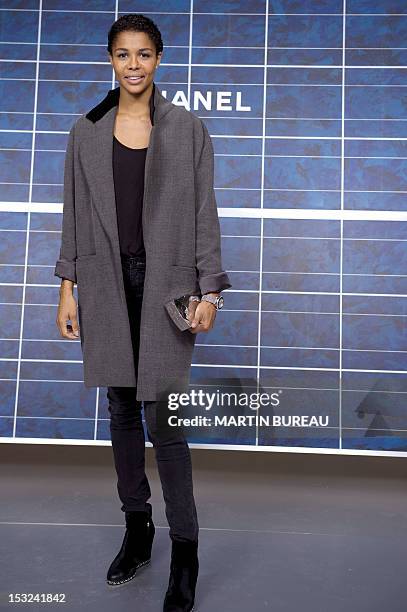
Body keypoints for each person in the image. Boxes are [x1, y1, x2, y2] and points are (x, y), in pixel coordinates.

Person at [55, 13, 231, 612]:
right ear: (111, 59)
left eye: (145, 54)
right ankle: (138, 529)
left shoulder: (187, 130)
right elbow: (74, 217)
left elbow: (205, 216)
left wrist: (211, 293)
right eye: (124, 54)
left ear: (159, 60)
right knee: (122, 412)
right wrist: (67, 288)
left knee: (166, 422)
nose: (134, 65)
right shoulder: (85, 131)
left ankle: (186, 550)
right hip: (105, 285)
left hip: (168, 289)